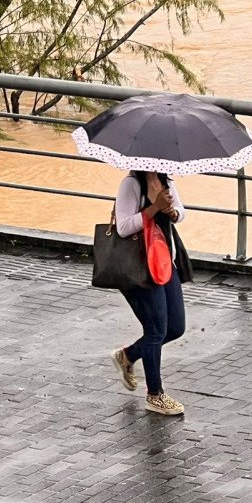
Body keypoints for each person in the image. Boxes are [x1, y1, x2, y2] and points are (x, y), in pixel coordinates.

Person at [110, 170, 191, 415]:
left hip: (166, 262)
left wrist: (171, 211)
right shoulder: (131, 184)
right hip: (141, 268)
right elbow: (123, 227)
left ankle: (128, 355)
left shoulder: (166, 180)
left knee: (175, 327)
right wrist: (153, 208)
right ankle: (155, 395)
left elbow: (180, 213)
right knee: (155, 331)